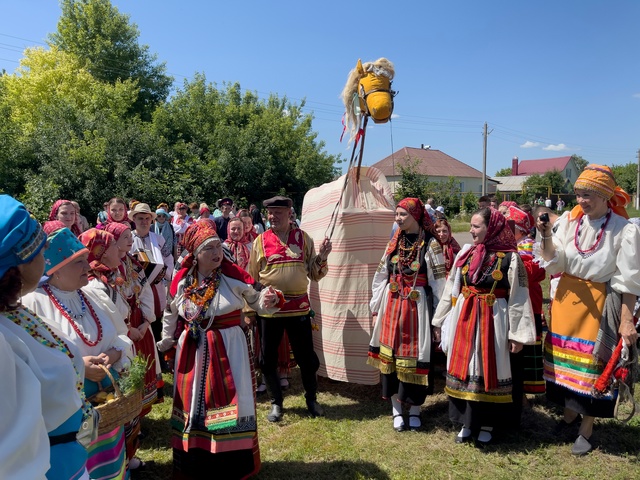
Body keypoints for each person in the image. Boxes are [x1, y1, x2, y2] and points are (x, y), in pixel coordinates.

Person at [156, 221, 282, 479]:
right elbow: (170, 311)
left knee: (230, 402)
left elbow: (258, 298)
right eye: (209, 248)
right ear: (195, 253)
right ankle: (195, 464)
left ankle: (230, 464)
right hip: (193, 348)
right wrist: (167, 339)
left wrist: (270, 299)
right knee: (193, 404)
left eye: (218, 246)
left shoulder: (233, 275)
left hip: (229, 348)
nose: (216, 253)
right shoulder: (182, 281)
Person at [535, 164, 640, 456]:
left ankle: (587, 428)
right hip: (567, 298)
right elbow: (553, 261)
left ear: (606, 196)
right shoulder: (569, 221)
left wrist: (626, 320)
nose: (582, 200)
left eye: (590, 194)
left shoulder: (623, 230)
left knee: (593, 367)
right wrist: (545, 234)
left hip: (598, 303)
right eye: (580, 194)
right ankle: (570, 415)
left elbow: (628, 280)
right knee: (564, 364)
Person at [22, 227, 133, 478]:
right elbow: (35, 359)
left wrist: (115, 354)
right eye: (79, 262)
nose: (88, 267)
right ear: (57, 269)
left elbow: (117, 336)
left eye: (86, 260)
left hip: (107, 403)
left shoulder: (88, 296)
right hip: (69, 411)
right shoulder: (34, 303)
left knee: (110, 462)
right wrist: (80, 365)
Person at [0, 195, 89, 479]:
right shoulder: (3, 338)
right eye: (41, 249)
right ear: (18, 265)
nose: (46, 256)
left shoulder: (14, 312)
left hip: (65, 458)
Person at [432, 207, 536, 446]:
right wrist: (439, 320)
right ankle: (468, 422)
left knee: (490, 370)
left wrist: (517, 335)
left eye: (476, 226)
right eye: (471, 225)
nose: (471, 230)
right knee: (467, 369)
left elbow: (519, 297)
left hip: (494, 323)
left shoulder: (511, 258)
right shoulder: (467, 254)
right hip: (465, 320)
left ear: (493, 228)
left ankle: (488, 424)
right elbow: (451, 288)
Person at [247, 195, 332, 422]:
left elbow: (315, 273)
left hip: (299, 309)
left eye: (278, 213)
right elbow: (251, 276)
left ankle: (312, 399)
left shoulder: (303, 239)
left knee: (307, 359)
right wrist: (249, 311)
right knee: (267, 359)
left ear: (289, 213)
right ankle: (276, 403)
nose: (273, 217)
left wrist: (322, 256)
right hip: (270, 310)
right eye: (270, 213)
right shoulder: (260, 241)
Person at [368, 198, 447, 432]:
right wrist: (375, 309)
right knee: (390, 358)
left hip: (417, 308)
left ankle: (414, 410)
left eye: (403, 215)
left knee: (415, 358)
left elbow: (439, 284)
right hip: (391, 307)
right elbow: (380, 276)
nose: (398, 219)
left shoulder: (430, 245)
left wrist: (438, 320)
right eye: (397, 214)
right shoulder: (394, 243)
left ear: (415, 215)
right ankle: (395, 410)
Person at [506, 206, 546, 402]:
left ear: (519, 229)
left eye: (509, 226)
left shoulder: (529, 245)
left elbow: (532, 273)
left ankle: (521, 390)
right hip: (520, 302)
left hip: (529, 303)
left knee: (525, 348)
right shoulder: (514, 245)